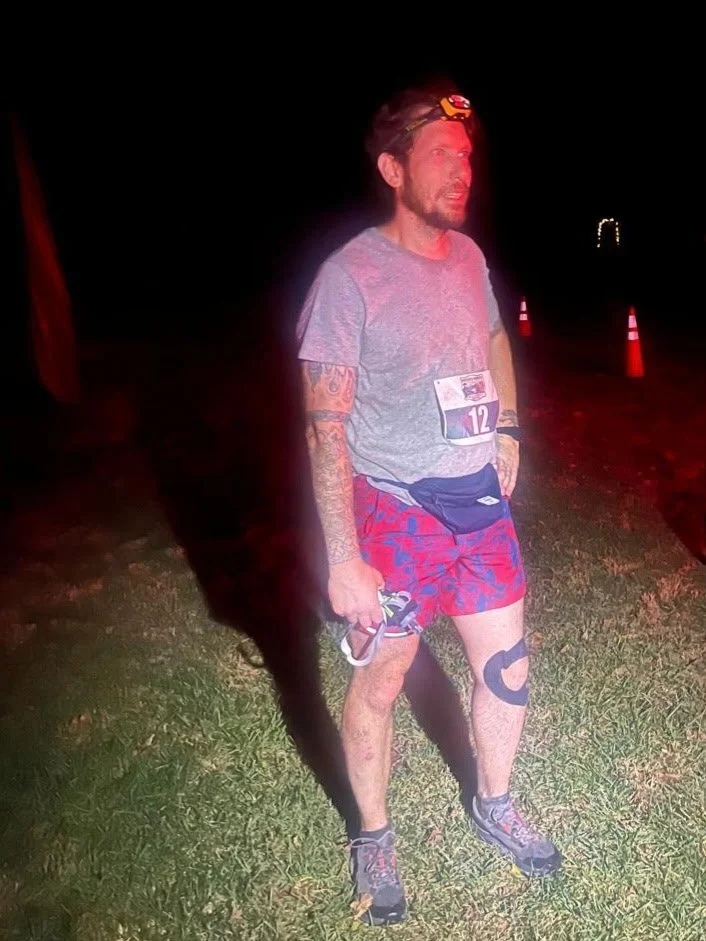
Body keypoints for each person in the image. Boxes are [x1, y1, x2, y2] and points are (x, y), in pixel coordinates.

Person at [296, 83, 561, 927]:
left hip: (478, 500)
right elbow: (323, 427)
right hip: (396, 509)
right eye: (443, 154)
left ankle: (494, 799)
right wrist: (343, 556)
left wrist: (510, 429)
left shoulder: (473, 260)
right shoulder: (349, 278)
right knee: (383, 680)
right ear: (392, 168)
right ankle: (373, 831)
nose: (463, 168)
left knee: (506, 669)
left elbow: (491, 336)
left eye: (468, 155)